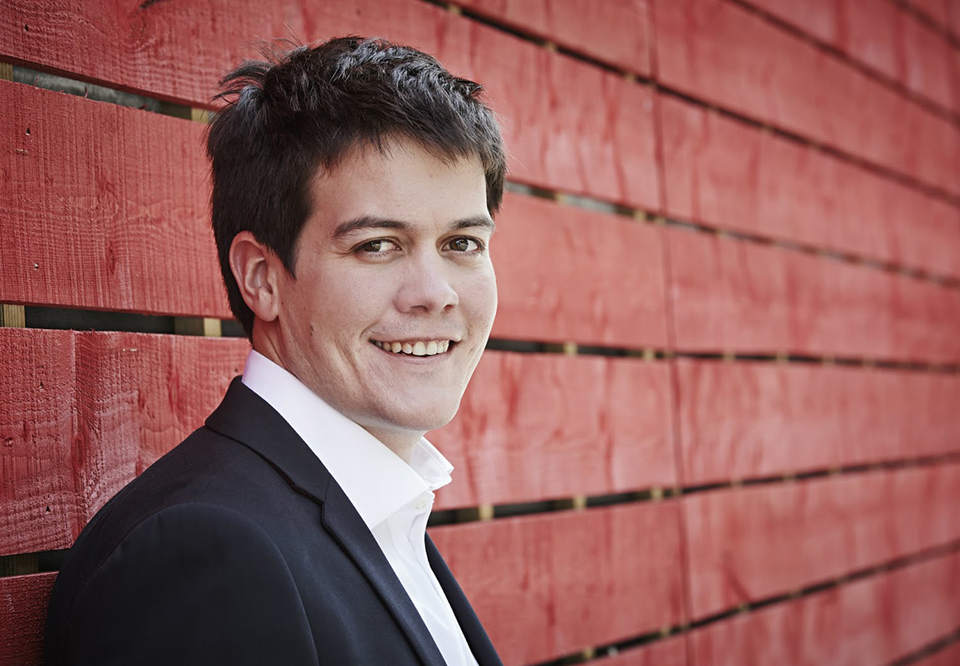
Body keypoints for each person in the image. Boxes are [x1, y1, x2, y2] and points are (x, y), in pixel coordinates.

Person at [44, 36, 506, 665]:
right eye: (376, 245)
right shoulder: (204, 555)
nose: (435, 294)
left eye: (462, 244)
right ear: (261, 277)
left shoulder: (374, 510)